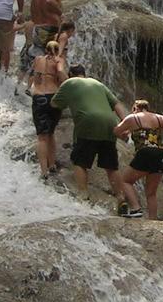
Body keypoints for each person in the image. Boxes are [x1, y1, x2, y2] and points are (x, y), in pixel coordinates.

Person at [49, 65, 140, 212]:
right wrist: (125, 126)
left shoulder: (69, 83)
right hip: (109, 124)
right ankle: (121, 198)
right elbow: (117, 105)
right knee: (111, 166)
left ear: (71, 74)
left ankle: (83, 195)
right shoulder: (98, 84)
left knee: (80, 162)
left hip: (88, 122)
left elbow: (54, 103)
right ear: (85, 74)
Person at [113, 100, 163, 220]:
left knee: (125, 181)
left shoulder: (132, 118)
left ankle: (136, 208)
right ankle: (153, 219)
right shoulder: (158, 117)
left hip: (145, 152)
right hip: (161, 154)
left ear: (135, 108)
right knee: (151, 193)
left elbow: (116, 131)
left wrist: (125, 134)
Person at [29, 40, 66, 178]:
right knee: (51, 133)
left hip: (39, 97)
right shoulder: (59, 60)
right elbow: (61, 74)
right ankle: (52, 165)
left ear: (45, 49)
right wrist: (64, 77)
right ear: (57, 50)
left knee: (42, 137)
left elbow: (34, 77)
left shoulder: (38, 59)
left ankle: (44, 171)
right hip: (54, 97)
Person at [19, 0, 62, 79]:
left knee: (28, 58)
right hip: (47, 29)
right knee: (43, 59)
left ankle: (19, 87)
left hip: (35, 28)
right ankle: (36, 86)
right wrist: (59, 11)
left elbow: (33, 11)